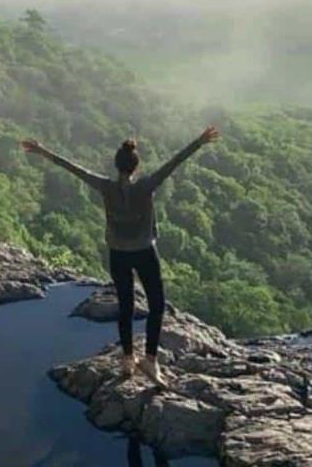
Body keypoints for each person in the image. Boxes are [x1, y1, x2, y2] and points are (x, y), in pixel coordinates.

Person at [21, 127, 221, 387]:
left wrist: (42, 151)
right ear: (136, 167)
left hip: (117, 254)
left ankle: (127, 360)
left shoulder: (105, 186)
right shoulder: (147, 185)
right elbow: (174, 162)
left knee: (125, 305)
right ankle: (149, 360)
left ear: (117, 166)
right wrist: (199, 142)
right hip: (144, 252)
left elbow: (74, 168)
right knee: (156, 305)